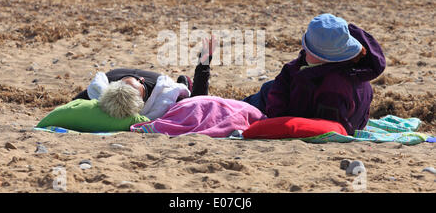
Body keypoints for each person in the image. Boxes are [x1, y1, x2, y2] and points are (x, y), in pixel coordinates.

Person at [243, 13, 386, 135]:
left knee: (256, 100)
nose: (304, 50)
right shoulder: (354, 68)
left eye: (308, 49)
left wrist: (276, 115)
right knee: (267, 88)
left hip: (290, 114)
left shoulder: (333, 87)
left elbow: (325, 125)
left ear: (324, 57)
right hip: (344, 118)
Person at [73, 36, 216, 119]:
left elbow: (72, 104)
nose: (136, 78)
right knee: (186, 92)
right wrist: (204, 62)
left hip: (116, 74)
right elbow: (199, 103)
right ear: (144, 100)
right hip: (162, 84)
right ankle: (184, 85)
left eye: (124, 82)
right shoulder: (163, 99)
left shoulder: (100, 91)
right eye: (139, 84)